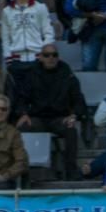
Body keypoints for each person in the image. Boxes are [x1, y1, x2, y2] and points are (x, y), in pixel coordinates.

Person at [15, 44, 86, 179]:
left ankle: (71, 170)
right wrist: (23, 113)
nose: (51, 58)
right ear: (40, 57)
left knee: (71, 129)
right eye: (47, 55)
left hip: (59, 118)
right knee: (22, 127)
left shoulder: (67, 73)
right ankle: (23, 174)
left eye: (54, 55)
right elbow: (21, 97)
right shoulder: (32, 73)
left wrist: (74, 115)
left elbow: (78, 98)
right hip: (37, 117)